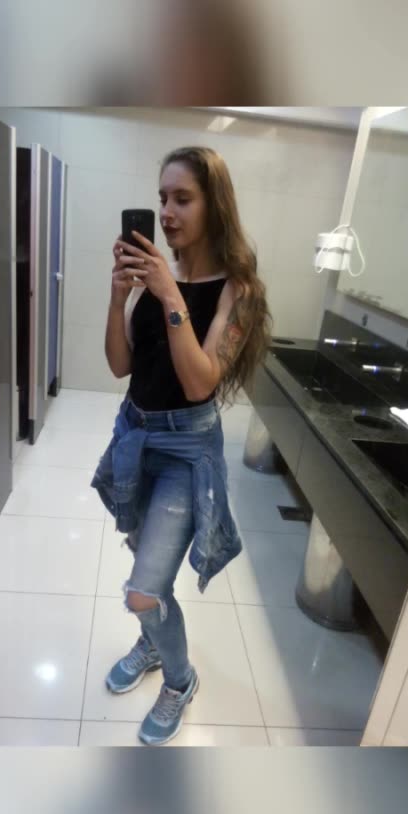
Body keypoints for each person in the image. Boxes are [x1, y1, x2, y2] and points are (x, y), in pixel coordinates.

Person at [91, 146, 272, 746]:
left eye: (182, 199)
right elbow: (120, 365)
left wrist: (170, 295)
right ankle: (152, 643)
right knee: (146, 559)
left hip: (184, 452)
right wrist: (119, 296)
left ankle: (180, 678)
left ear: (214, 205)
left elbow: (200, 382)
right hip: (134, 436)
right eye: (162, 198)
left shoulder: (237, 291)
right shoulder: (154, 276)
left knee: (144, 590)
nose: (166, 212)